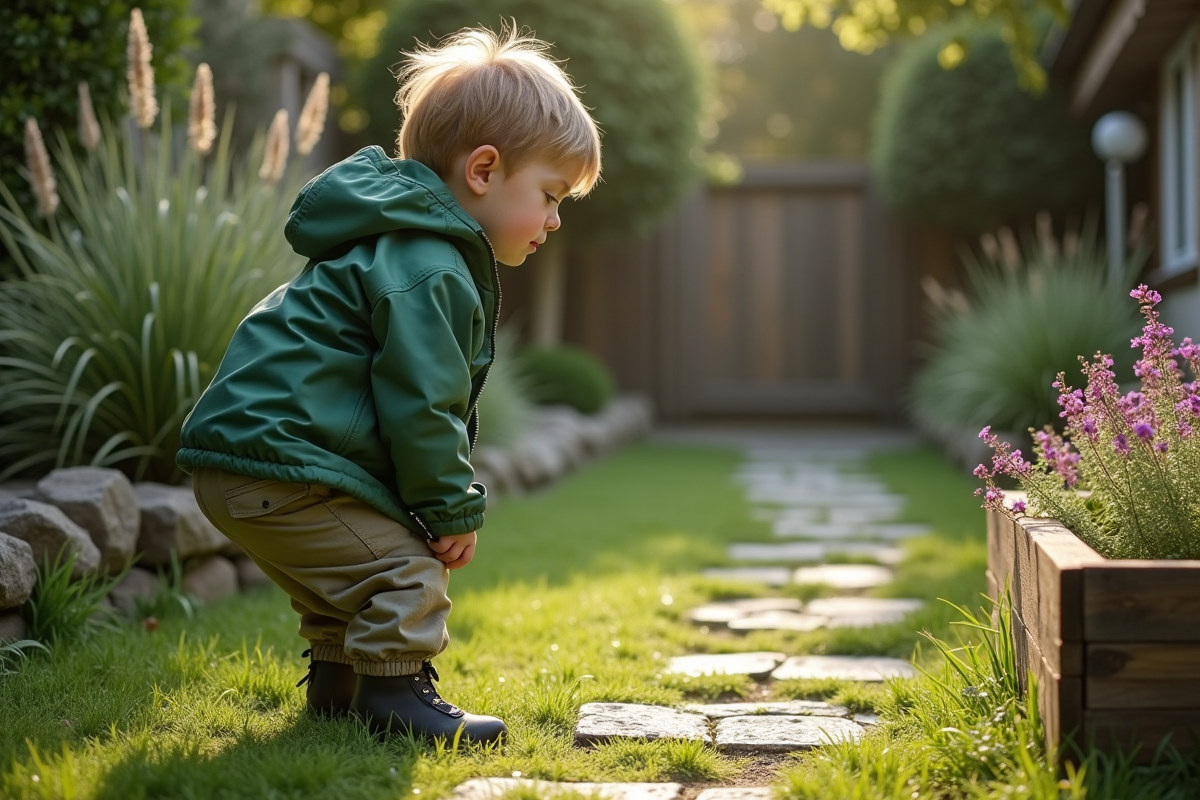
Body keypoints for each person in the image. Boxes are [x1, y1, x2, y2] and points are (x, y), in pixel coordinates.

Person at [175, 26, 602, 745]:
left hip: (246, 461)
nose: (555, 221)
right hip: (281, 463)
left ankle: (339, 692)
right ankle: (395, 699)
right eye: (551, 195)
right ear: (484, 170)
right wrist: (448, 509)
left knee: (349, 578)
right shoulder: (432, 266)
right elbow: (421, 404)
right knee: (403, 571)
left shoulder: (391, 241)